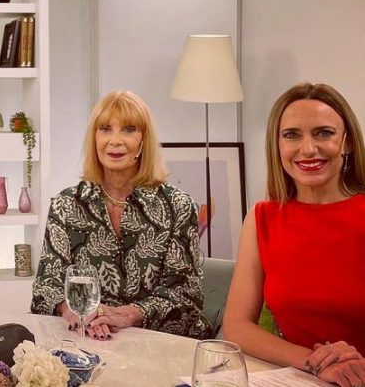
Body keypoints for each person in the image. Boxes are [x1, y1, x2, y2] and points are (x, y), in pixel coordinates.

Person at [31, 90, 211, 340]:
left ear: (143, 140)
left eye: (128, 130)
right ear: (94, 138)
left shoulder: (178, 206)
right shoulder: (67, 204)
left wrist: (128, 314)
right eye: (105, 129)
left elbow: (185, 297)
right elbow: (45, 288)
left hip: (159, 343)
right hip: (89, 340)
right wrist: (73, 311)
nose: (115, 141)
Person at [224, 83, 365, 386]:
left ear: (348, 143)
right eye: (291, 135)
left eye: (324, 133)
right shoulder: (261, 218)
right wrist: (313, 363)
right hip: (297, 377)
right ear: (277, 146)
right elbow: (236, 326)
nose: (308, 148)